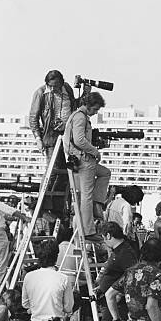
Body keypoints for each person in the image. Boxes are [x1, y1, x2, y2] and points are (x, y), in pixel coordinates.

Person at [63, 92, 111, 241]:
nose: (96, 112)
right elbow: (79, 140)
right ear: (89, 105)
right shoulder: (80, 117)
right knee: (86, 196)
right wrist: (94, 151)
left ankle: (98, 203)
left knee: (105, 173)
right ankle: (88, 230)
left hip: (81, 159)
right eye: (95, 109)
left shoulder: (77, 116)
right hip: (84, 160)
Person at [29, 70, 90, 169]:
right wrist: (38, 139)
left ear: (61, 83)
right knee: (54, 170)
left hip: (69, 135)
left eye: (55, 86)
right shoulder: (41, 93)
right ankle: (49, 185)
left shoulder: (67, 88)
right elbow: (33, 118)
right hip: (52, 137)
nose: (52, 89)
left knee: (69, 171)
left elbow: (75, 105)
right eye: (50, 86)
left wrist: (86, 93)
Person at [0, 196, 30, 295]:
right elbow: (5, 209)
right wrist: (23, 217)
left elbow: (2, 213)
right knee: (1, 266)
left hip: (0, 235)